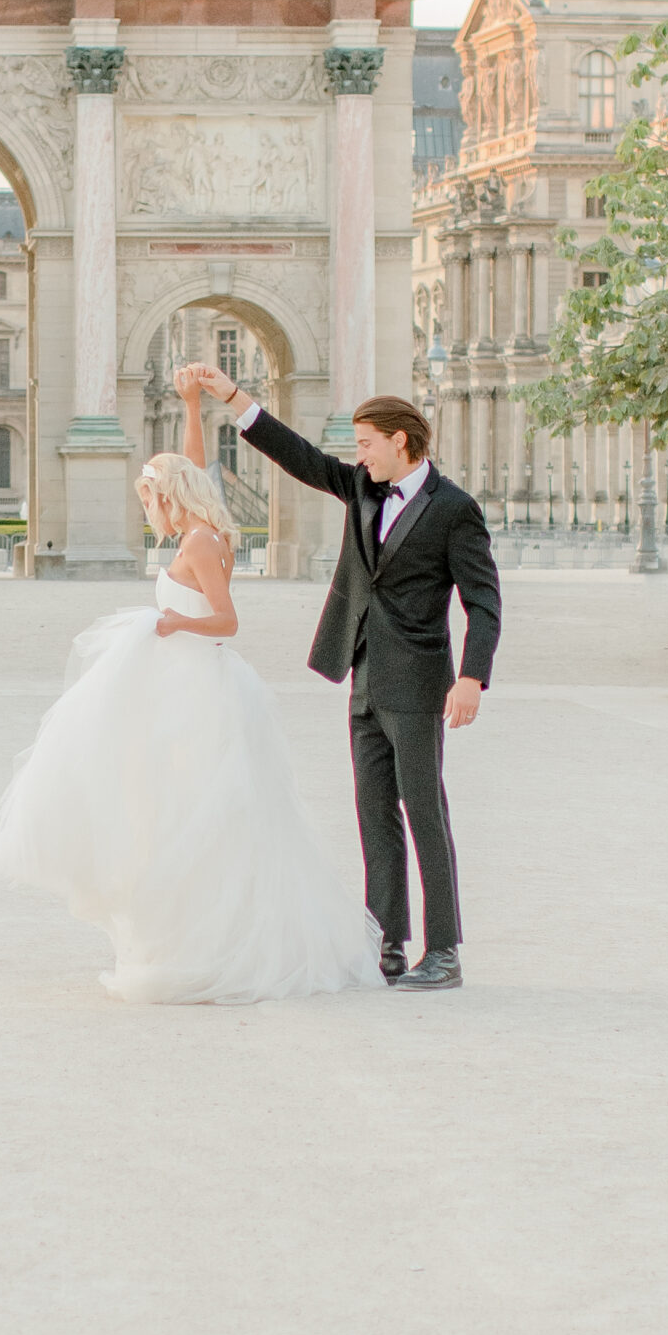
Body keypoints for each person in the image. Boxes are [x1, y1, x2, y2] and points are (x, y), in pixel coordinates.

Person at [0, 374, 379, 1005]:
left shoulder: (200, 541)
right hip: (190, 684)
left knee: (194, 817)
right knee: (186, 815)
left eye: (149, 497)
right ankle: (196, 933)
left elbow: (227, 623)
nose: (147, 510)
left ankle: (208, 940)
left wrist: (173, 622)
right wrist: (193, 404)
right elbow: (195, 462)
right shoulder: (203, 524)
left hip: (199, 686)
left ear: (168, 495)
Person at [182, 364, 500, 991]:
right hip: (362, 677)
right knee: (373, 812)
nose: (358, 455)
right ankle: (384, 941)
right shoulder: (362, 488)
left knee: (424, 811)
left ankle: (443, 952)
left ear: (400, 442)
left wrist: (472, 678)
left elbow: (484, 602)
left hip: (418, 681)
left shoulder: (455, 510)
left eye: (365, 444)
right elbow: (297, 456)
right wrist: (230, 396)